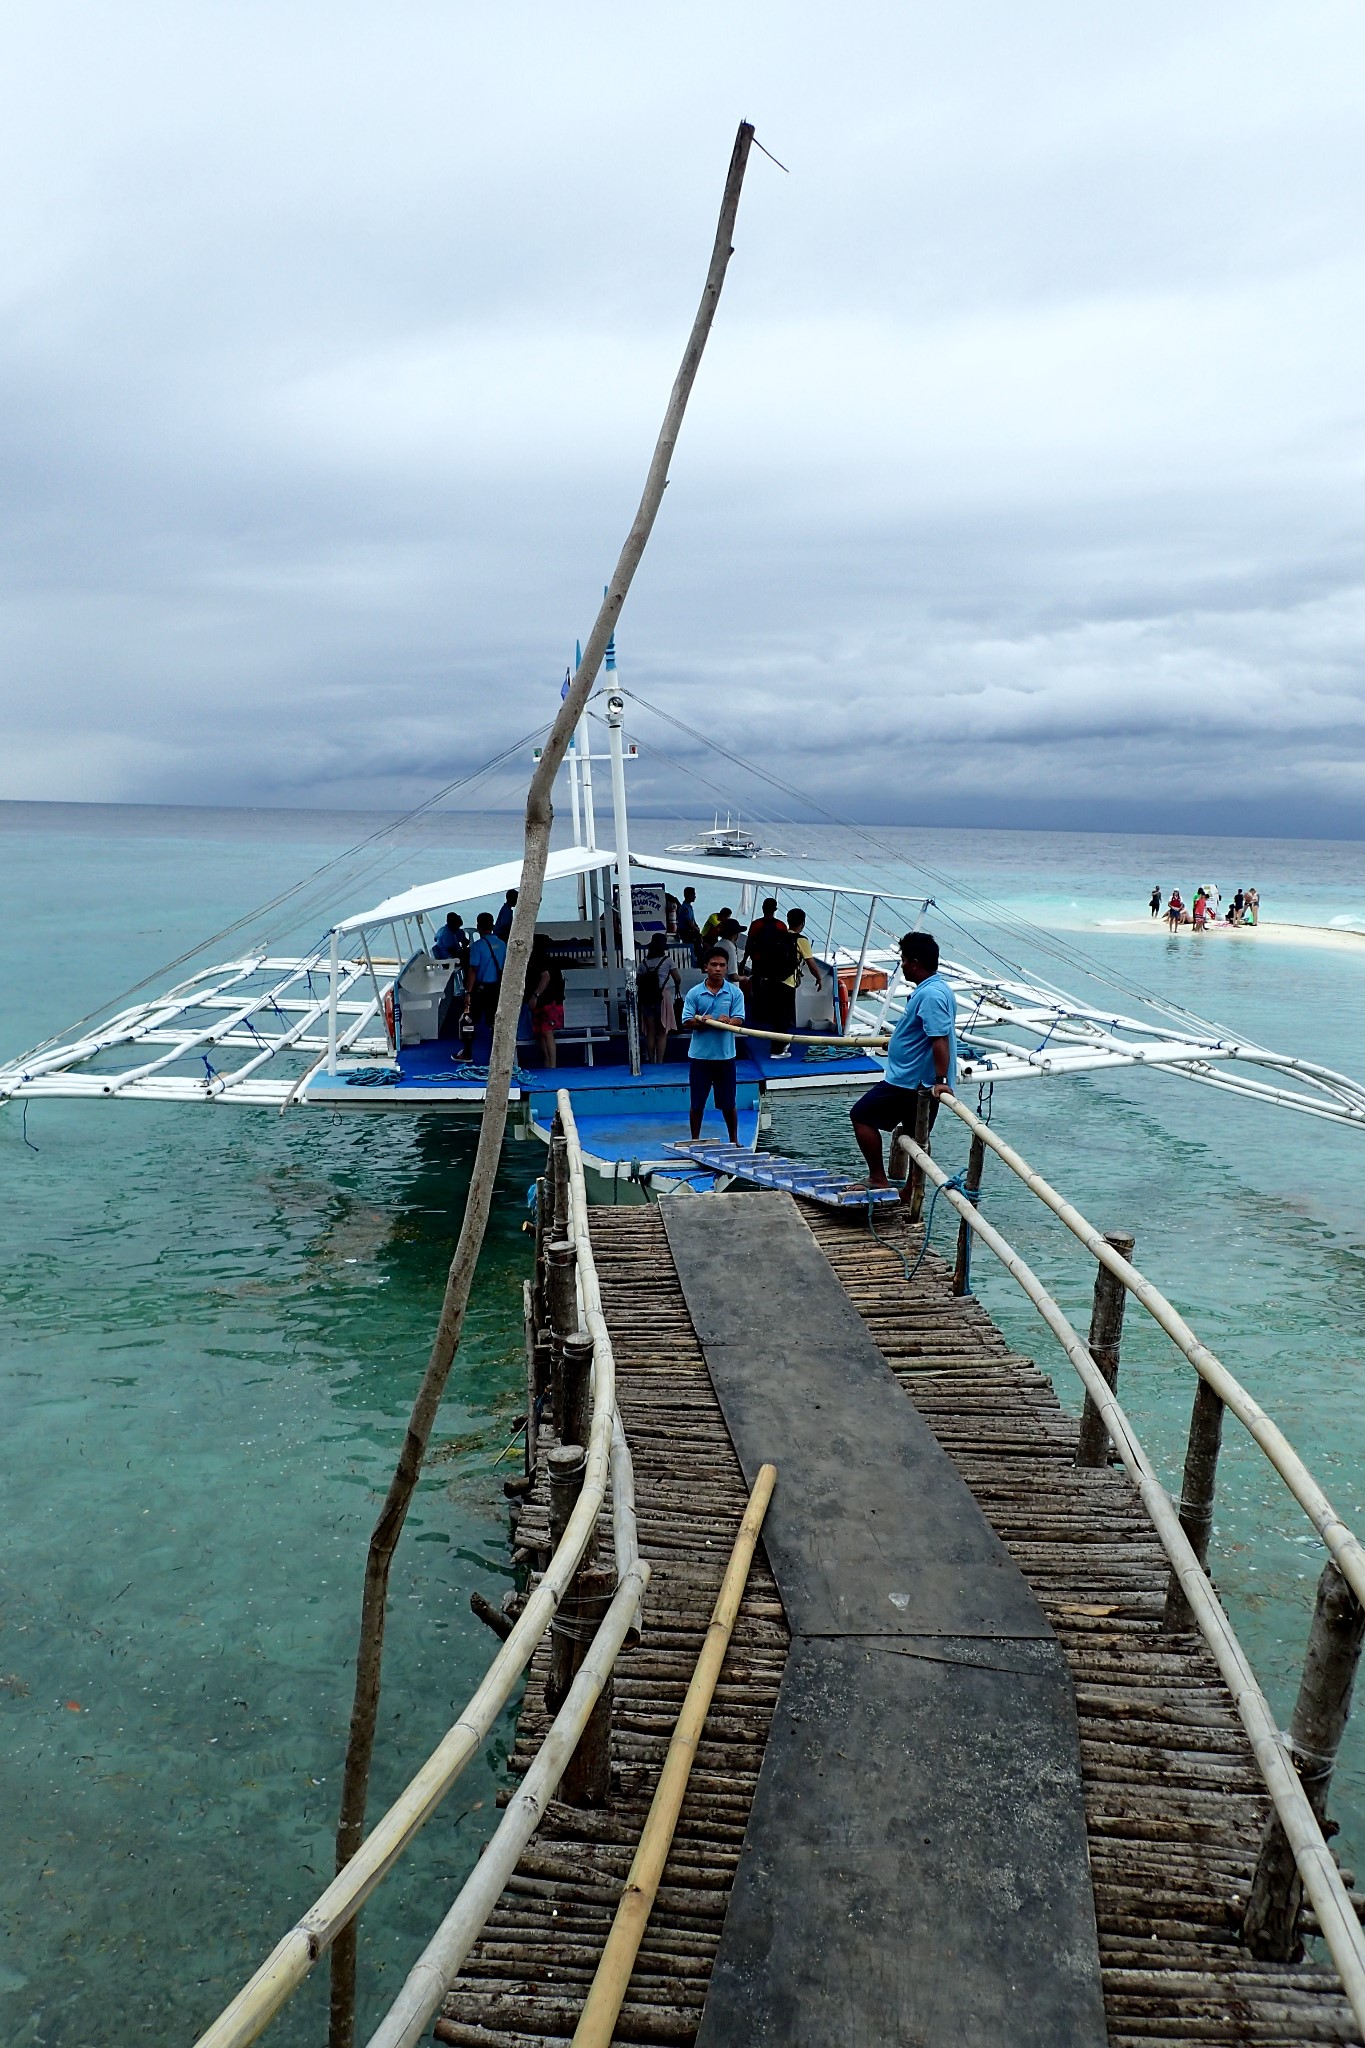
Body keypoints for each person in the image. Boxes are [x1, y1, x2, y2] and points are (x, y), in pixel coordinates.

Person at [849, 931, 955, 1199]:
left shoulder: (931, 995)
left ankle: (878, 1177)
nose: (903, 965)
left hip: (911, 1082)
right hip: (914, 1078)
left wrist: (941, 1081)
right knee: (914, 1138)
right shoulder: (935, 988)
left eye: (904, 960)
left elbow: (939, 1038)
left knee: (861, 1115)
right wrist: (896, 1041)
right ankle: (910, 1191)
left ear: (916, 962)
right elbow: (923, 1032)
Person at [681, 944, 746, 1142]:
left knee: (728, 1103)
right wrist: (703, 1021)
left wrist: (728, 1022)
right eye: (714, 965)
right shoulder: (694, 993)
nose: (718, 969)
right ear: (705, 967)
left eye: (722, 965)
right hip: (700, 1057)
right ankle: (694, 1139)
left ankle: (734, 1140)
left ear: (727, 968)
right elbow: (686, 1021)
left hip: (725, 1057)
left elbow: (739, 1019)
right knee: (697, 1103)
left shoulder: (735, 993)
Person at [743, 897, 799, 1040]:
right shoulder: (781, 926)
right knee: (771, 987)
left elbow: (750, 943)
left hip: (758, 960)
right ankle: (769, 1013)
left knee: (757, 985)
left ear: (763, 908)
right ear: (775, 910)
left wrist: (744, 960)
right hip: (774, 962)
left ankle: (758, 1012)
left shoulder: (756, 924)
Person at [637, 933, 682, 1065]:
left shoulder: (644, 963)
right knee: (662, 1031)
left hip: (647, 998)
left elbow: (638, 980)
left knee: (650, 1032)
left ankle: (651, 1060)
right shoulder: (667, 961)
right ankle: (660, 1061)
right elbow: (677, 978)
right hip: (663, 997)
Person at [525, 933, 565, 1069]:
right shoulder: (544, 959)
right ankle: (548, 1062)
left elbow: (545, 977)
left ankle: (552, 1064)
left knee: (546, 1032)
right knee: (540, 1032)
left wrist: (535, 995)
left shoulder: (539, 960)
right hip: (545, 1001)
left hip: (548, 1001)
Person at [466, 911, 506, 1041]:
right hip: (497, 986)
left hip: (481, 988)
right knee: (494, 1016)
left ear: (478, 927)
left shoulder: (477, 947)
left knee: (470, 1017)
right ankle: (496, 1044)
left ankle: (468, 1048)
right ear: (493, 926)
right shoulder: (502, 944)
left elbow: (473, 970)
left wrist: (468, 992)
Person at [676, 886, 701, 956]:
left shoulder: (689, 907)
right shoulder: (685, 908)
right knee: (697, 944)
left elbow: (693, 921)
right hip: (686, 932)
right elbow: (688, 921)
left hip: (689, 931)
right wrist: (695, 930)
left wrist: (697, 927)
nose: (695, 897)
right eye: (693, 894)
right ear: (689, 895)